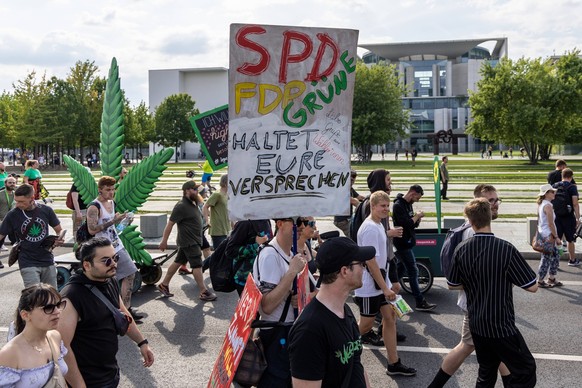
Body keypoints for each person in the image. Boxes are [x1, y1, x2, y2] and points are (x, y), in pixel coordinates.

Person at [447, 198, 538, 387]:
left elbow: (452, 284)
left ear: (471, 222)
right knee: (526, 370)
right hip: (501, 325)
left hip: (477, 324)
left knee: (486, 373)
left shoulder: (461, 248)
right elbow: (532, 286)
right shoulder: (505, 249)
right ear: (490, 217)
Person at [429, 184, 511, 387]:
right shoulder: (471, 234)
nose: (495, 204)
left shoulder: (473, 230)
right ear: (480, 203)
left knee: (493, 348)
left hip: (482, 305)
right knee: (467, 346)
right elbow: (468, 276)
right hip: (479, 306)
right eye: (490, 201)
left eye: (496, 200)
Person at [58, 237, 154, 387]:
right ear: (87, 265)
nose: (114, 264)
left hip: (109, 373)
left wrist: (142, 343)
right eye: (106, 261)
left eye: (115, 258)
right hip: (88, 380)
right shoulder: (72, 296)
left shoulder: (110, 281)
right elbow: (62, 348)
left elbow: (123, 314)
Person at [289, 237, 374, 387]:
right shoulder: (309, 329)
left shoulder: (344, 310)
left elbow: (356, 364)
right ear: (344, 271)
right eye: (361, 263)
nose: (364, 267)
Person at [355, 191, 416, 377]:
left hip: (381, 282)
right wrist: (385, 288)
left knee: (390, 318)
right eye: (382, 206)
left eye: (387, 206)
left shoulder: (379, 225)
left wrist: (391, 283)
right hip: (369, 286)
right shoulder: (370, 228)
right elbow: (371, 262)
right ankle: (336, 350)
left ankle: (393, 362)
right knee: (364, 327)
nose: (386, 210)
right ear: (372, 206)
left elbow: (384, 260)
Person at [252, 217, 307, 387]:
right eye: (297, 223)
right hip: (276, 337)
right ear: (280, 223)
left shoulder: (290, 253)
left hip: (289, 332)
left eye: (304, 222)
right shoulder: (270, 255)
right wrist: (291, 272)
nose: (302, 227)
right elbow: (266, 306)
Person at [86, 176, 142, 320]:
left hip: (116, 245)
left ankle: (126, 310)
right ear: (100, 190)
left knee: (130, 272)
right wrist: (113, 220)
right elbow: (92, 230)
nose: (111, 193)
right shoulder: (94, 206)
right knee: (105, 280)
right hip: (101, 249)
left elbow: (113, 227)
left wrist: (124, 222)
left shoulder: (112, 202)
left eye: (113, 189)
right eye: (108, 190)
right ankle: (111, 310)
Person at [156, 181, 217, 301]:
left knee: (178, 262)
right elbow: (170, 224)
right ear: (187, 190)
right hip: (189, 242)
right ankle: (203, 291)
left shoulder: (192, 203)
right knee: (197, 265)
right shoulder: (181, 206)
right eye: (194, 189)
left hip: (192, 240)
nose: (197, 191)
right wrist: (164, 241)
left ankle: (164, 285)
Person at [0, 284, 68, 387]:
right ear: (25, 315)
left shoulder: (55, 337)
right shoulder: (9, 354)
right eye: (48, 308)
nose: (57, 311)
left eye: (58, 305)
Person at [0, 184, 64, 288]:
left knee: (52, 297)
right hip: (27, 261)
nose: (17, 204)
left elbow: (59, 230)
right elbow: (1, 234)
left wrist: (60, 238)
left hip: (47, 259)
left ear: (32, 198)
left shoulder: (46, 210)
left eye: (21, 202)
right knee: (34, 297)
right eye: (16, 201)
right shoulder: (12, 215)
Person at [392, 184, 437, 311]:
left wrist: (417, 219)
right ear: (412, 193)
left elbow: (412, 224)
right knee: (413, 271)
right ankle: (419, 301)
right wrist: (417, 216)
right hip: (402, 243)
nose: (417, 200)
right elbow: (405, 223)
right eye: (417, 198)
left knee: (400, 269)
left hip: (407, 241)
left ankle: (390, 290)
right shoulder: (398, 206)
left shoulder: (408, 204)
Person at [225, 219, 272, 296]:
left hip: (264, 278)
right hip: (245, 280)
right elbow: (230, 251)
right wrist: (255, 244)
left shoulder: (265, 220)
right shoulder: (244, 223)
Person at [535, 184, 563, 288]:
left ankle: (551, 278)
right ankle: (541, 280)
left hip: (545, 234)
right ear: (546, 194)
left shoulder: (542, 203)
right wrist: (556, 237)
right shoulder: (548, 206)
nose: (554, 193)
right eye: (552, 192)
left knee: (555, 255)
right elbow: (551, 224)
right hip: (549, 236)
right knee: (546, 258)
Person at [552, 168, 581, 267]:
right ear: (571, 176)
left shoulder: (554, 186)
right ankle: (572, 260)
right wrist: (578, 218)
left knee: (557, 240)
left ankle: (554, 261)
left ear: (562, 176)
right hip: (568, 217)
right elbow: (575, 203)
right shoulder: (572, 187)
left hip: (556, 217)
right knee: (570, 239)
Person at [202, 174, 231, 249]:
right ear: (225, 183)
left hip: (226, 228)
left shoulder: (227, 195)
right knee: (219, 254)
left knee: (225, 254)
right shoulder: (217, 194)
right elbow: (205, 207)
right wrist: (207, 220)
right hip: (217, 229)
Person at [333, 169, 364, 237]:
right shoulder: (342, 189)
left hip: (346, 219)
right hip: (342, 220)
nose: (352, 182)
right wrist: (363, 206)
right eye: (350, 179)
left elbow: (359, 197)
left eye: (353, 180)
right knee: (354, 236)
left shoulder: (349, 188)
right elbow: (353, 201)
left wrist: (369, 200)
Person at [69, 167, 92, 242]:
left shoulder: (89, 184)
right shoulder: (76, 184)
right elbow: (74, 199)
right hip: (80, 210)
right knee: (77, 230)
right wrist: (78, 212)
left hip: (88, 210)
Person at [0, 175, 17, 263]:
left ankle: (21, 260)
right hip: (2, 222)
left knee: (17, 243)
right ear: (5, 183)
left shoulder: (17, 194)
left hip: (13, 223)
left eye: (13, 183)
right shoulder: (1, 194)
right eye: (10, 183)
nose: (12, 184)